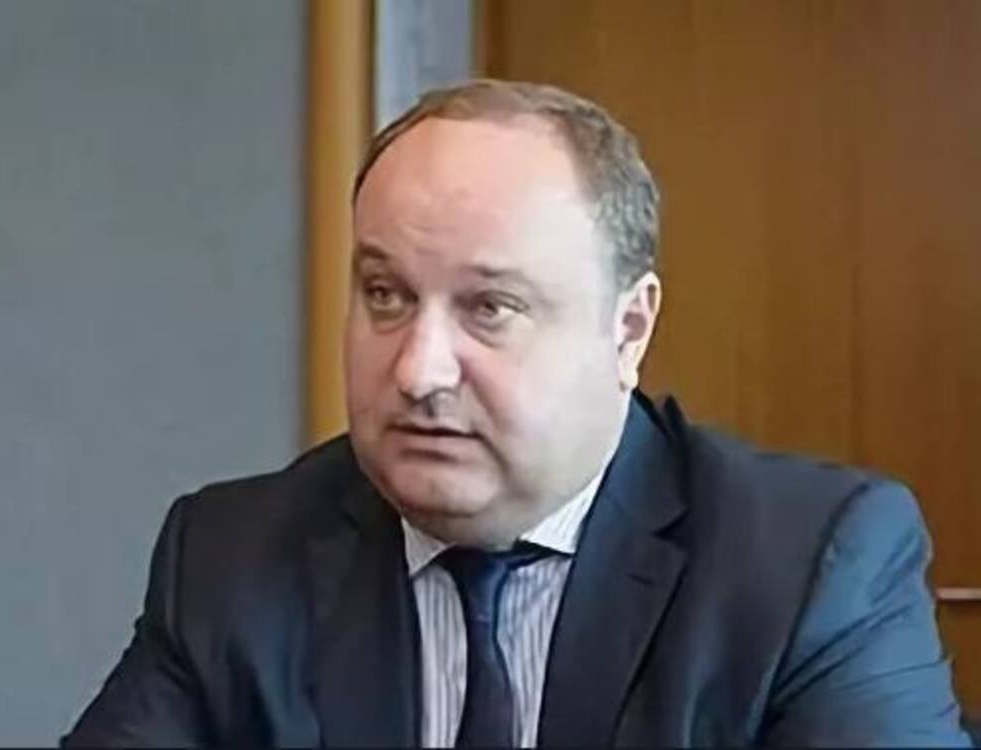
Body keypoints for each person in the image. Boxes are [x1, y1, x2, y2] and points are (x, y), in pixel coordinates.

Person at [63, 79, 970, 747]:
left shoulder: (811, 567)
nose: (418, 370)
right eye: (384, 295)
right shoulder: (230, 559)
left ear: (629, 328)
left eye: (490, 308)